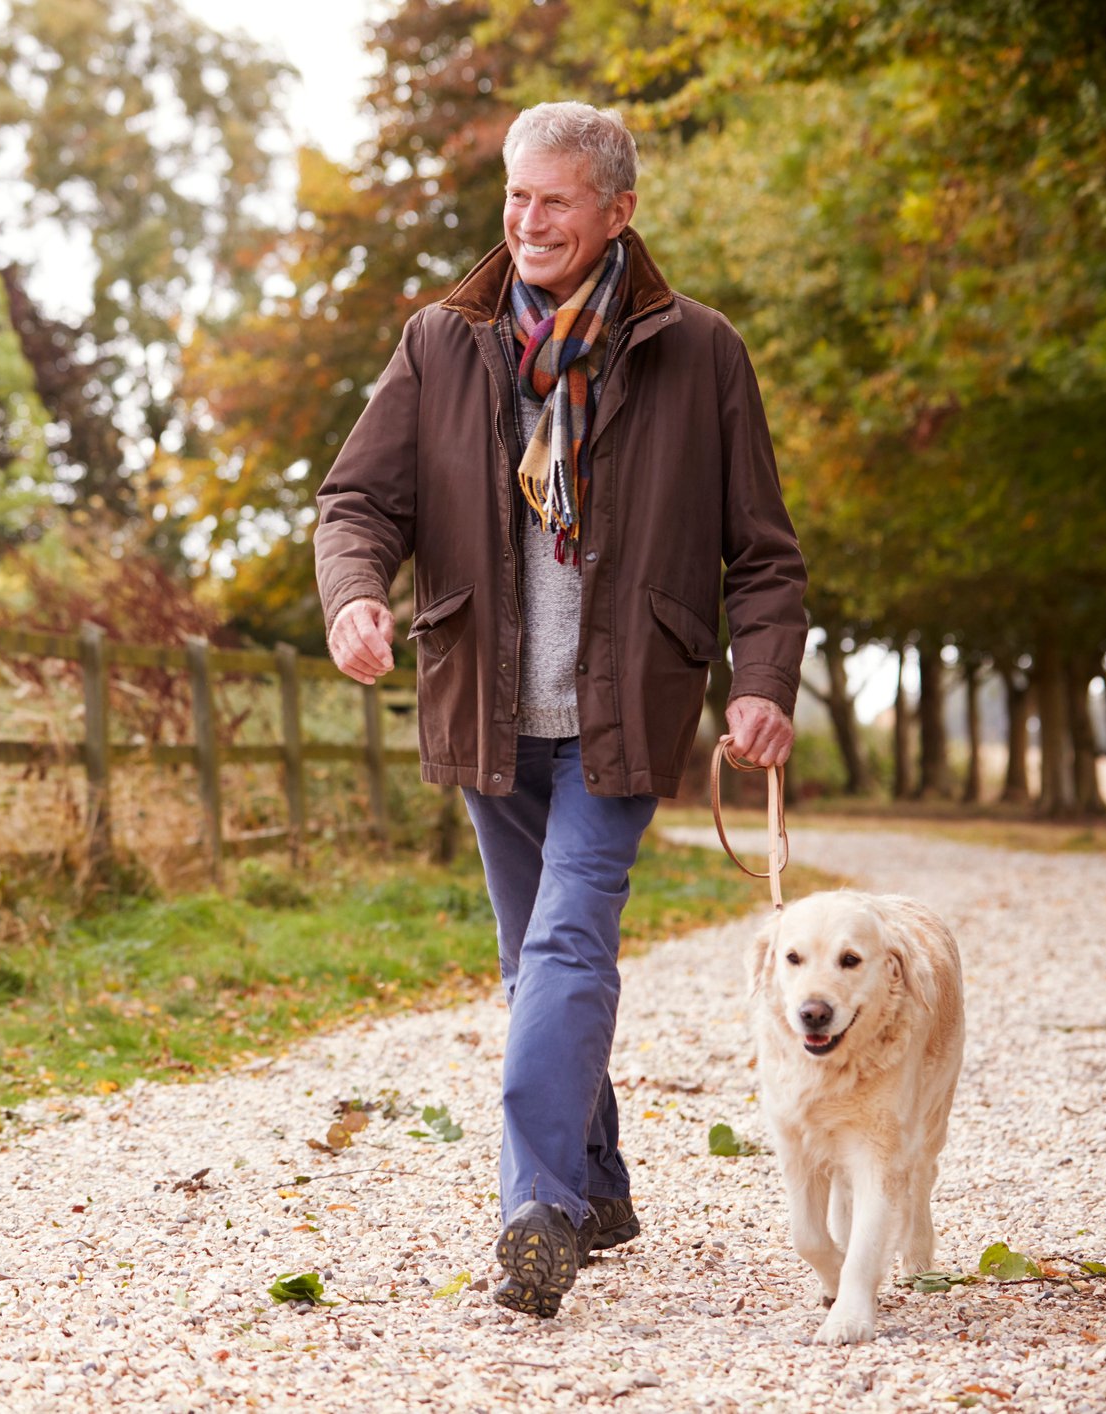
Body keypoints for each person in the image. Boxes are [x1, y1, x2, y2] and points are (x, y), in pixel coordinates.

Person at [313, 100, 807, 1318]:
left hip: (622, 715)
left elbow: (764, 555)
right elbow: (357, 504)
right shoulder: (444, 342)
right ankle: (601, 1179)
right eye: (515, 199)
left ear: (617, 213)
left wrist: (759, 683)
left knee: (566, 946)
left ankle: (536, 1206)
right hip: (487, 707)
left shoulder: (700, 351)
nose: (528, 223)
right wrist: (355, 599)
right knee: (527, 962)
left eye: (555, 201)